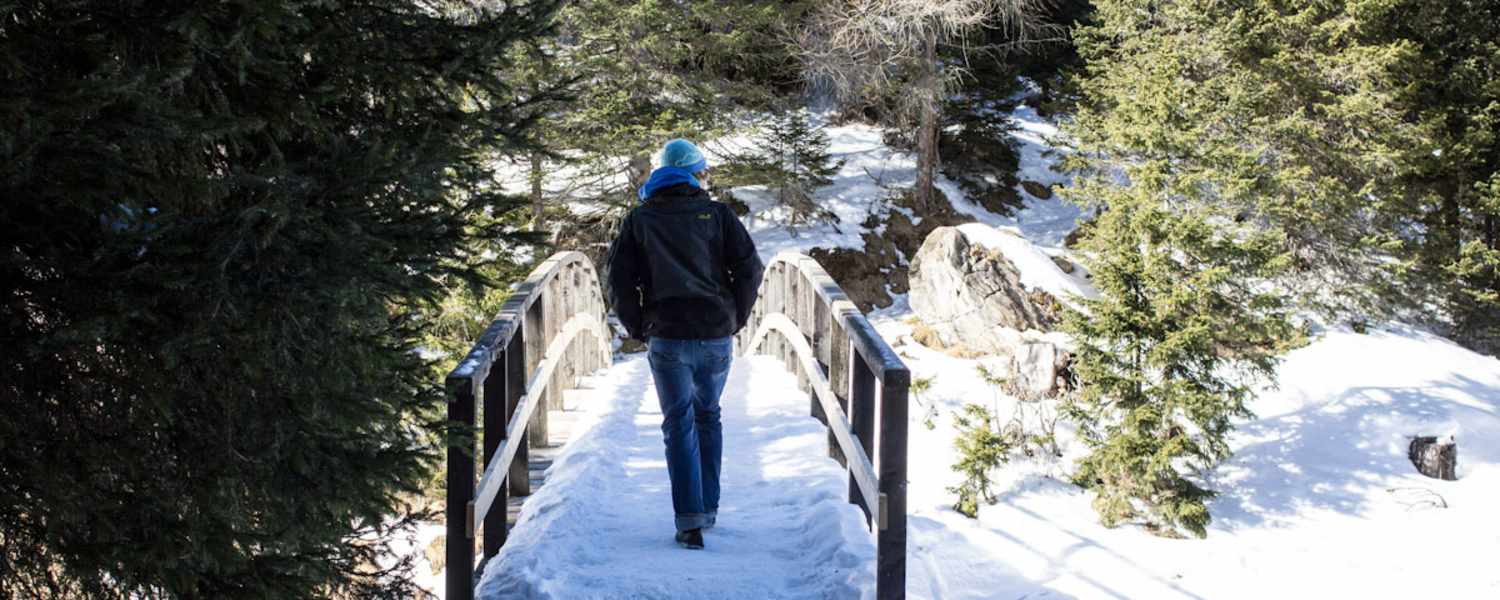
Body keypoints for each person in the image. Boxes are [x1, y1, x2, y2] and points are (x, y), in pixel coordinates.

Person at [605, 138, 765, 550]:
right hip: (714, 333)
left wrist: (639, 325)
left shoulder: (641, 219)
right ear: (695, 173)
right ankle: (708, 508)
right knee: (708, 415)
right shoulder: (717, 215)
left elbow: (620, 281)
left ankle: (689, 520)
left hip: (667, 335)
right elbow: (749, 268)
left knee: (678, 423)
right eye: (704, 171)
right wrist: (736, 316)